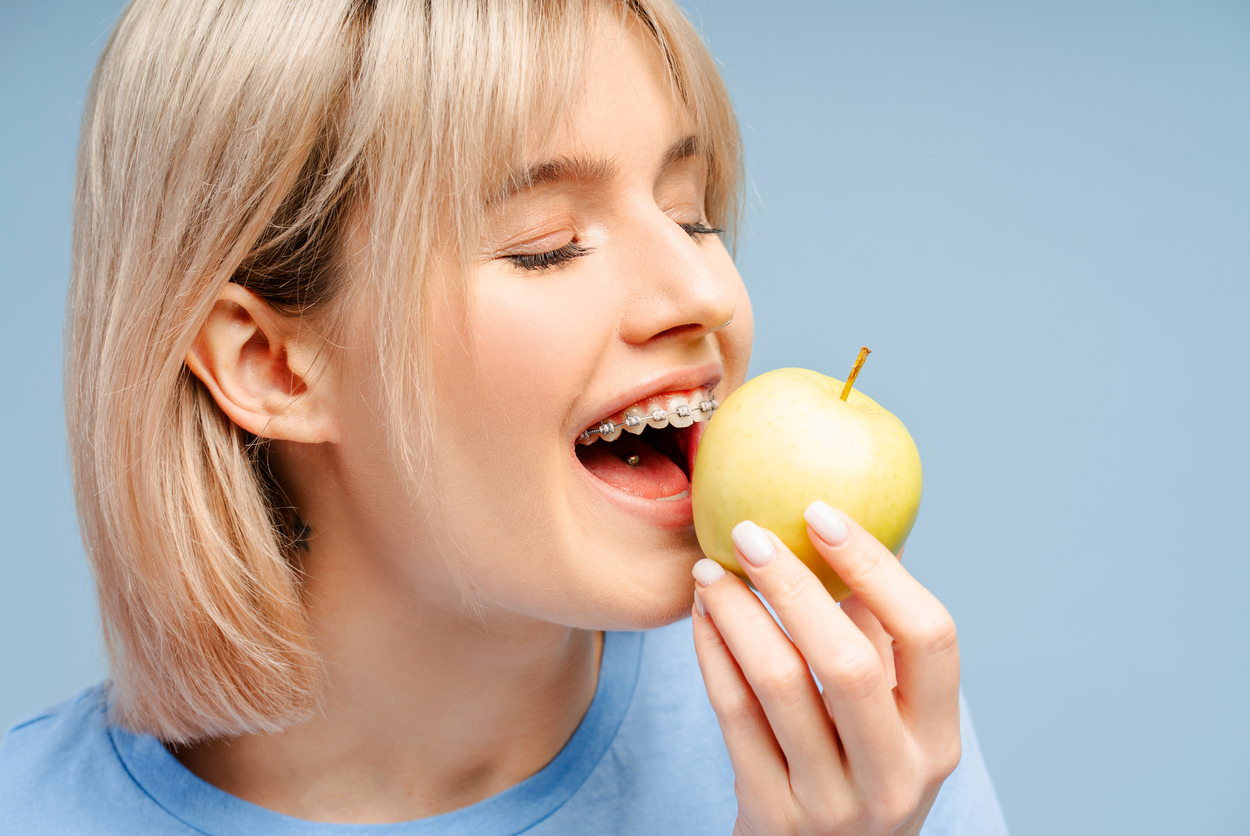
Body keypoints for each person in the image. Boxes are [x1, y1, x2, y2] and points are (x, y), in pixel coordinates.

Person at [0, 0, 1007, 833]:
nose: (700, 289)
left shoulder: (850, 750)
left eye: (692, 212)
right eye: (547, 244)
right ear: (270, 365)